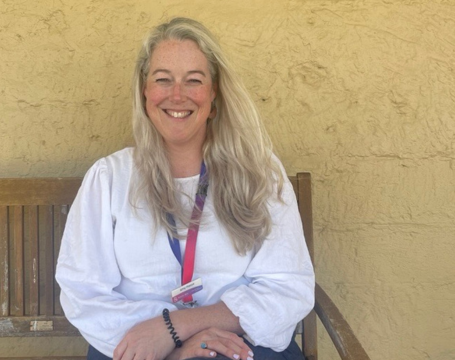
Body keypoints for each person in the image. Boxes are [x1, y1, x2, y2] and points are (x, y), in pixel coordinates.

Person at [56, 17, 314, 360]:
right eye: (163, 79)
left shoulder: (259, 172)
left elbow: (289, 287)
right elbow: (82, 292)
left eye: (194, 80)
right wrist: (167, 341)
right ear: (144, 90)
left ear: (213, 93)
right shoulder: (109, 178)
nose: (177, 95)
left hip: (240, 345)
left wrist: (177, 327)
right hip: (138, 347)